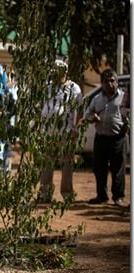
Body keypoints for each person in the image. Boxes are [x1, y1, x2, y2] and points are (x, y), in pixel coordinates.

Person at [38, 59, 83, 202]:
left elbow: (79, 109)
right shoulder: (48, 88)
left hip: (66, 132)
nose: (54, 75)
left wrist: (76, 129)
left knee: (67, 165)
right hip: (48, 133)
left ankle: (67, 194)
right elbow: (41, 108)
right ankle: (45, 194)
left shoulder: (74, 88)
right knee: (46, 164)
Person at [81, 69, 127, 207]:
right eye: (106, 81)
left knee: (118, 169)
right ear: (101, 83)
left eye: (112, 81)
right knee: (99, 169)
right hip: (101, 138)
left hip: (118, 138)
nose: (110, 84)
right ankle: (101, 196)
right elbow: (87, 115)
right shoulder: (97, 99)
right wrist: (92, 118)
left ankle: (118, 197)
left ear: (117, 83)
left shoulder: (124, 98)